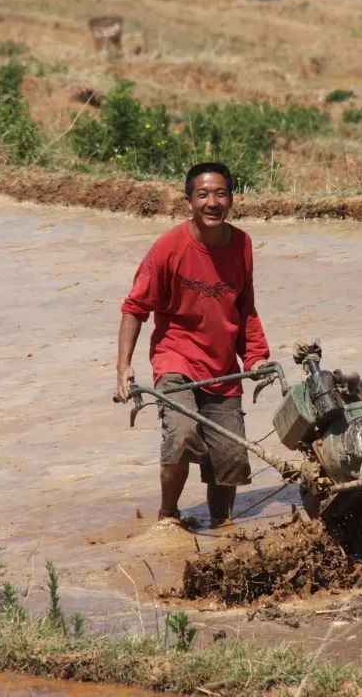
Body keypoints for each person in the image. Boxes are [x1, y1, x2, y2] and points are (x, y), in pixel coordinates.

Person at [114, 162, 270, 529]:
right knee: (181, 432)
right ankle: (168, 516)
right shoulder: (168, 247)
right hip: (176, 358)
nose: (212, 202)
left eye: (220, 193)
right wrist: (123, 367)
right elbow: (135, 308)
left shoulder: (242, 244)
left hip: (223, 367)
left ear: (231, 199)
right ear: (189, 203)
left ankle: (223, 525)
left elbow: (245, 307)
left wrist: (256, 357)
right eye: (203, 195)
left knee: (231, 457)